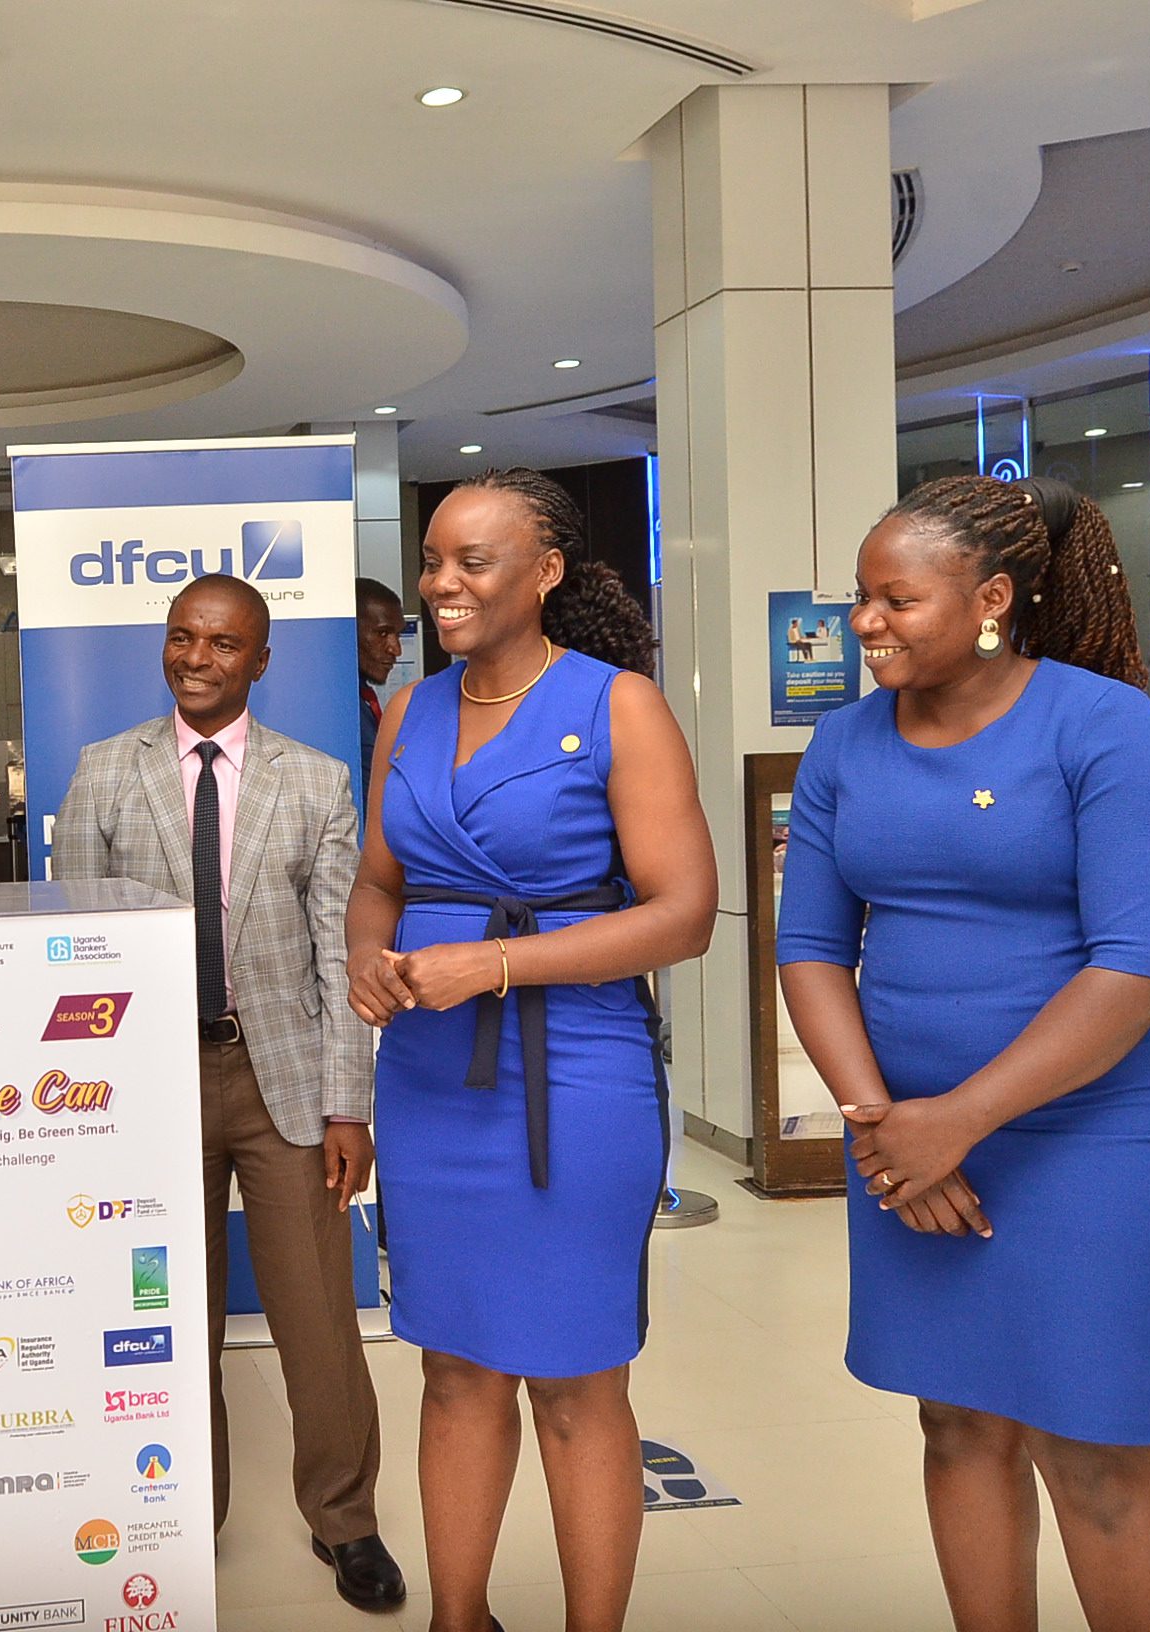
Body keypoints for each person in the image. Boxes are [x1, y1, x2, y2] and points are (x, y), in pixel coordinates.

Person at [776, 474, 1150, 1631]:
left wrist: (953, 1121)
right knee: (956, 1421)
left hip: (1093, 1140)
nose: (862, 623)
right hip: (905, 1147)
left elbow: (1135, 964)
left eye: (894, 598)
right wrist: (883, 1132)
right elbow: (810, 950)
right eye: (858, 597)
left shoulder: (1098, 723)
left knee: (1097, 1456)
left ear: (992, 599)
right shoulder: (842, 743)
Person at [346, 469, 715, 1632]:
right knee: (451, 1363)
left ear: (545, 574)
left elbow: (683, 915)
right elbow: (376, 880)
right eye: (434, 560)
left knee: (573, 1377)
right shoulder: (409, 709)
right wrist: (366, 953)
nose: (440, 584)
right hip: (425, 1079)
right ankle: (460, 1616)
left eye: (473, 562)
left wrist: (495, 964)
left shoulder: (618, 707)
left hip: (575, 1074)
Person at [52, 574, 405, 1613]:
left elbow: (347, 955)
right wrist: (89, 1105)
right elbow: (77, 954)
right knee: (167, 1320)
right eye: (181, 638)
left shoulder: (316, 780)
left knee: (317, 1321)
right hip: (147, 1091)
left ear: (259, 660)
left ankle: (344, 1523)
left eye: (221, 644)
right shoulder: (104, 772)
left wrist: (350, 1106)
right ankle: (177, 1518)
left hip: (280, 1078)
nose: (196, 659)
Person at [357, 577, 407, 770]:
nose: (396, 649)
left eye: (398, 635)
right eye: (383, 634)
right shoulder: (338, 710)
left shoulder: (363, 700)